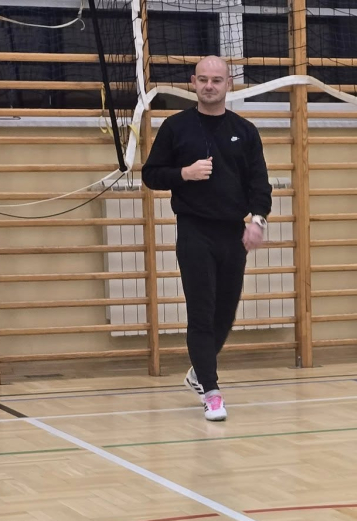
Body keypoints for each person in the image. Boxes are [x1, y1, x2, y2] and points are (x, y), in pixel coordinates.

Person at [141, 56, 272, 422]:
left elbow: (259, 184)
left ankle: (199, 372)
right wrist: (184, 173)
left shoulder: (245, 131)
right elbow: (151, 174)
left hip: (232, 233)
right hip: (194, 231)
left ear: (229, 83)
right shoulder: (176, 127)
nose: (209, 86)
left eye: (216, 80)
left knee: (224, 314)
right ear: (193, 82)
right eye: (203, 79)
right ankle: (212, 393)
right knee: (201, 312)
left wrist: (257, 221)